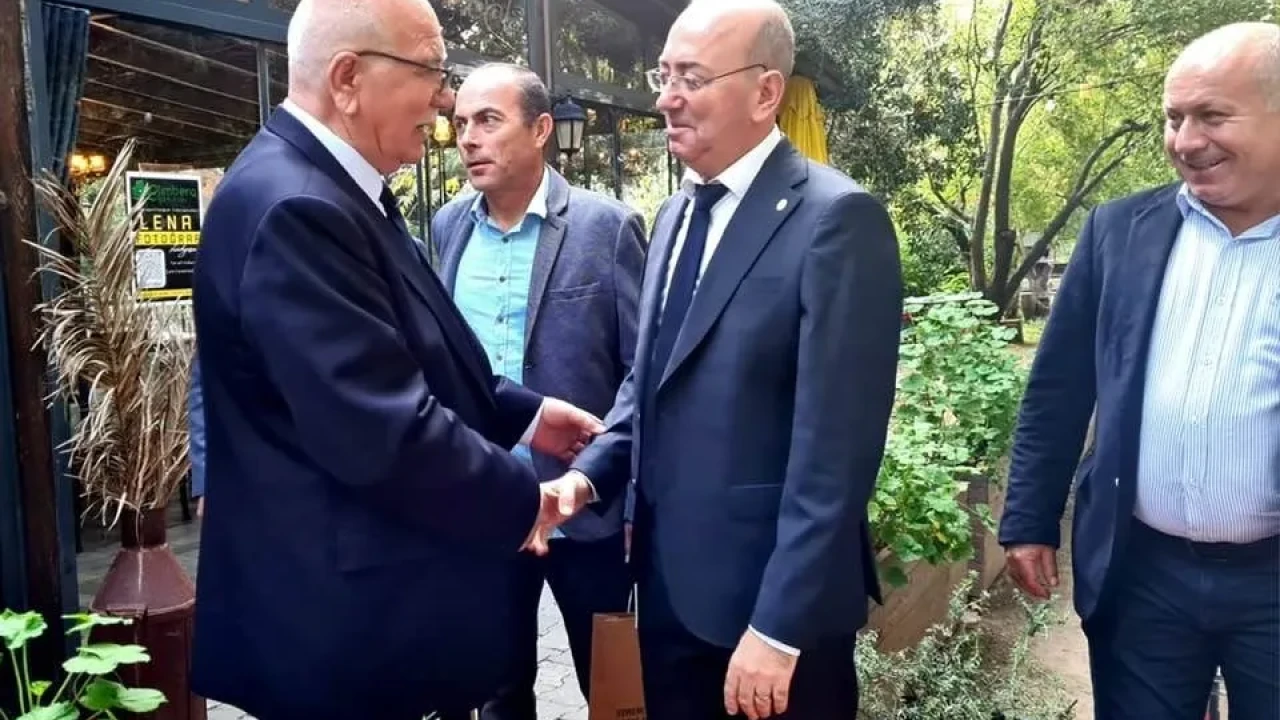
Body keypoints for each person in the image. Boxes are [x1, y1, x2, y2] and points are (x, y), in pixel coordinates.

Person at [187, 0, 603, 717]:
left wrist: (528, 415)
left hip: (365, 615)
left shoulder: (335, 189)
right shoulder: (298, 207)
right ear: (348, 78)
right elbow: (382, 429)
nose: (445, 101)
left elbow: (409, 352)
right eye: (431, 72)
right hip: (341, 632)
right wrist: (525, 500)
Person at [548, 1, 903, 717]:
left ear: (765, 92)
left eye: (692, 77)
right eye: (664, 75)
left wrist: (779, 628)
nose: (666, 98)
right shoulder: (674, 215)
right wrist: (584, 480)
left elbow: (836, 454)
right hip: (667, 597)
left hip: (770, 620)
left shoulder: (837, 219)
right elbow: (649, 385)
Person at [998, 21, 1280, 720]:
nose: (1185, 140)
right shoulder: (1119, 231)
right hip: (1143, 573)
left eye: (1212, 115)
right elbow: (1059, 388)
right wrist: (1029, 519)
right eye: (1173, 118)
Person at [431, 64, 645, 720]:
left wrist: (621, 489)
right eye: (460, 123)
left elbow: (641, 374)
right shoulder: (447, 227)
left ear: (541, 129)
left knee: (613, 690)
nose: (469, 138)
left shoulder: (607, 227)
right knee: (497, 694)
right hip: (484, 504)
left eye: (488, 120)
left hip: (585, 511)